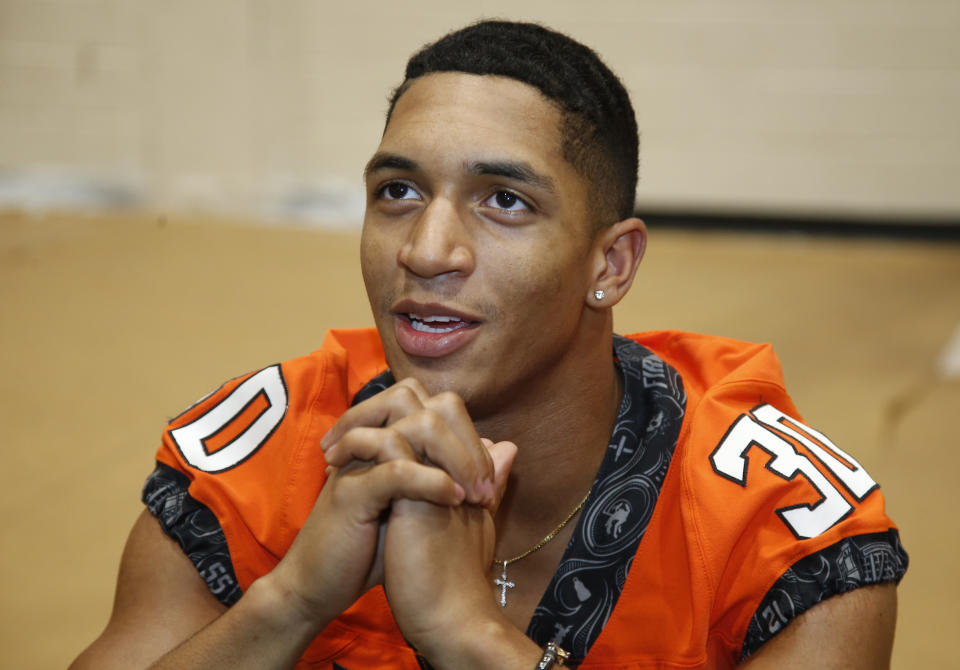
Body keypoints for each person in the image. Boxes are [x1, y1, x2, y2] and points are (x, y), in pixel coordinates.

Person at [71, 20, 907, 670]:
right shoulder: (261, 457)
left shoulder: (780, 530)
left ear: (609, 263)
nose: (426, 251)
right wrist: (291, 601)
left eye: (503, 201)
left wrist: (472, 637)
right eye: (397, 191)